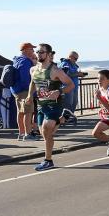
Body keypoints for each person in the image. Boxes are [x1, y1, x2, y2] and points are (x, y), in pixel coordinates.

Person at [29, 43, 76, 171]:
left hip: (54, 105)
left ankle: (48, 160)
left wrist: (59, 91)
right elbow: (33, 83)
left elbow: (71, 85)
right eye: (37, 52)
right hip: (41, 105)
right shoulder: (33, 69)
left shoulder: (56, 71)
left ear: (49, 55)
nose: (39, 54)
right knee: (45, 134)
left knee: (46, 128)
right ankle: (64, 118)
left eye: (42, 52)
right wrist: (29, 96)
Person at [10, 42, 36, 141]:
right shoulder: (25, 62)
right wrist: (31, 91)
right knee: (28, 112)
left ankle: (21, 133)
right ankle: (28, 134)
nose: (33, 51)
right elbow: (26, 78)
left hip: (16, 90)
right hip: (24, 90)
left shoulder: (17, 60)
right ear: (25, 50)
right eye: (31, 49)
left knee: (20, 112)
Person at [57, 51, 84, 124]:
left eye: (77, 59)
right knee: (68, 103)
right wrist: (78, 74)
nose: (76, 60)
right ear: (70, 57)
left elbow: (74, 73)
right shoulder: (65, 64)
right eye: (75, 58)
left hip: (74, 87)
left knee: (74, 102)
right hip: (67, 87)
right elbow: (66, 74)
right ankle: (64, 118)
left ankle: (69, 117)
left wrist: (79, 74)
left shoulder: (74, 64)